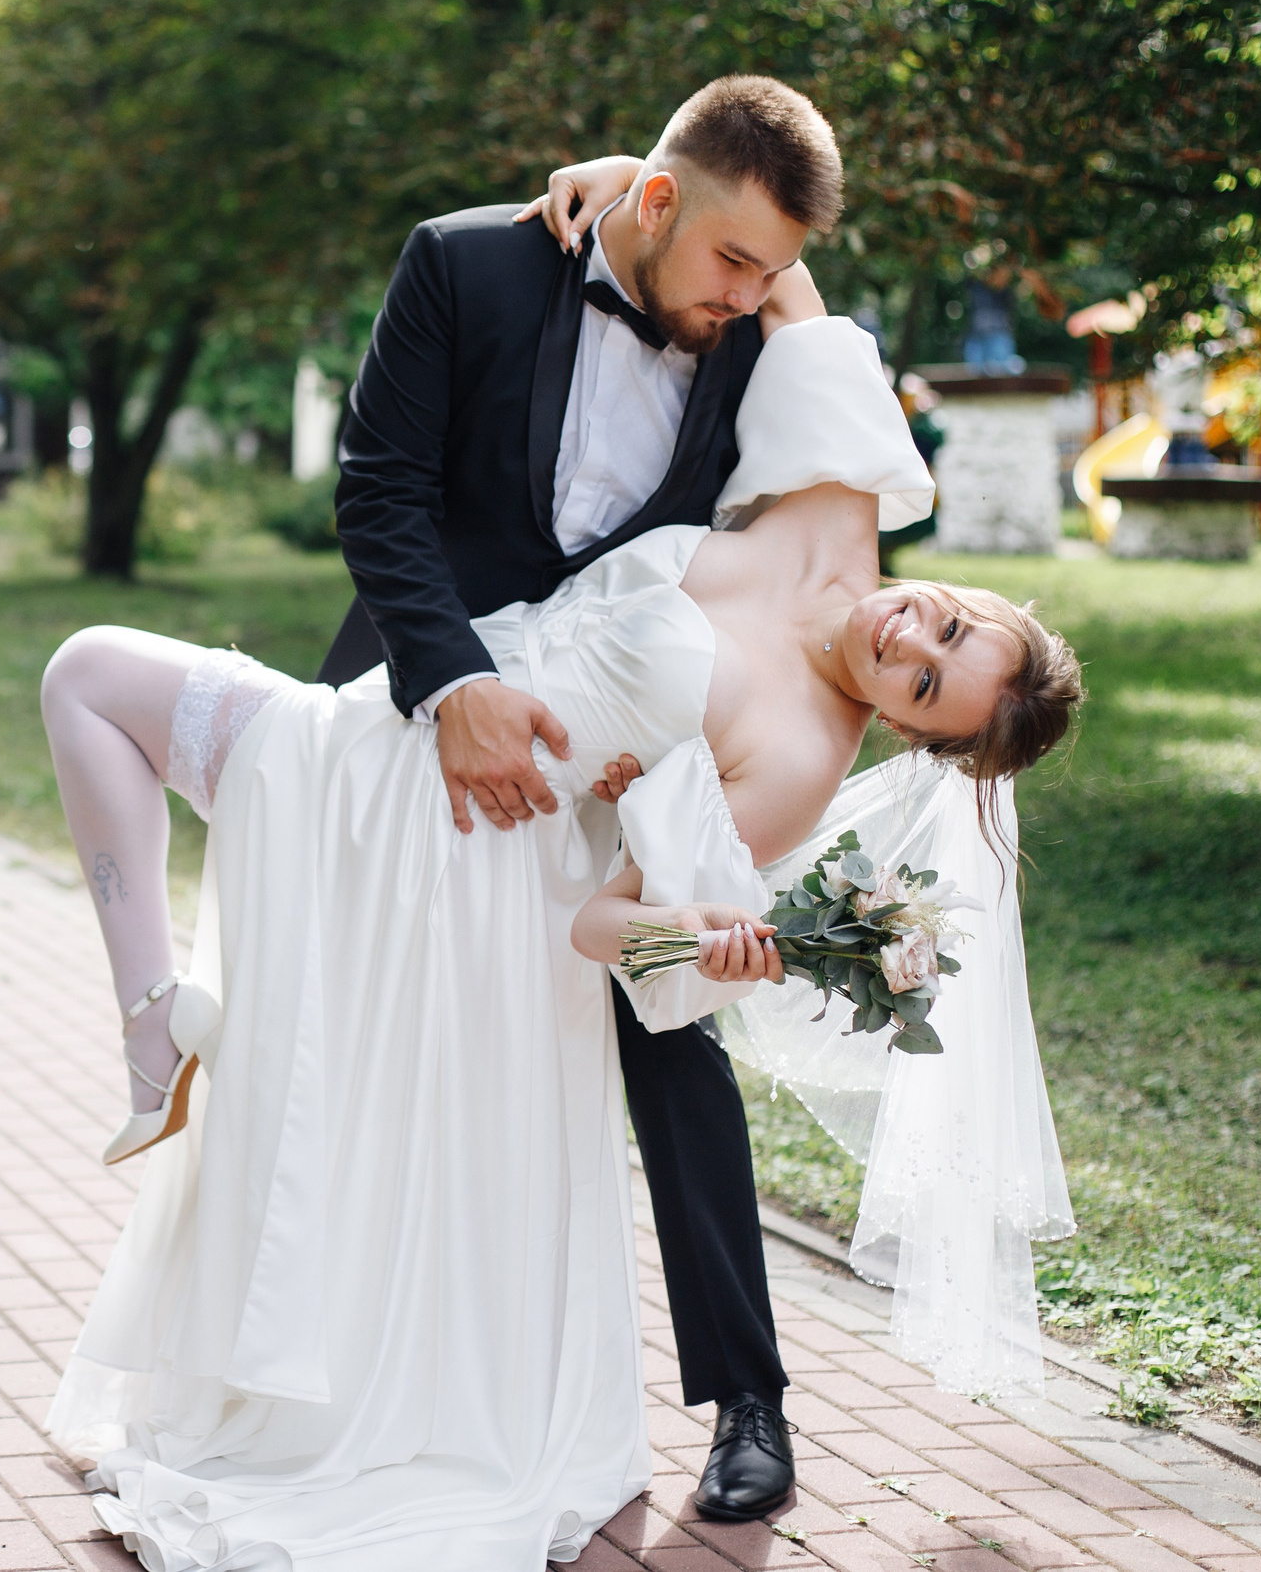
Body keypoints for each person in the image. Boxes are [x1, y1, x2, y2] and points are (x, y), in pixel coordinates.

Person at [32, 236, 1083, 1569]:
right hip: (406, 710)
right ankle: (156, 1016)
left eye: (930, 686)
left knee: (89, 673)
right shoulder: (837, 507)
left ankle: (159, 1032)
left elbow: (600, 926)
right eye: (948, 624)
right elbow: (776, 256)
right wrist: (605, 190)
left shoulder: (799, 763)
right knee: (90, 684)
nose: (910, 643)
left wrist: (700, 937)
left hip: (463, 832)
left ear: (915, 735)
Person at [315, 74, 845, 1527]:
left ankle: (750, 1399)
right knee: (364, 1019)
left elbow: (843, 381)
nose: (750, 295)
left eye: (772, 270)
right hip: (433, 709)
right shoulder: (465, 260)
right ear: (658, 208)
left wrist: (641, 181)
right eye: (735, 261)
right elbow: (379, 490)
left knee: (672, 1025)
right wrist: (449, 680)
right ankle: (347, 1361)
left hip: (632, 739)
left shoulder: (754, 334)